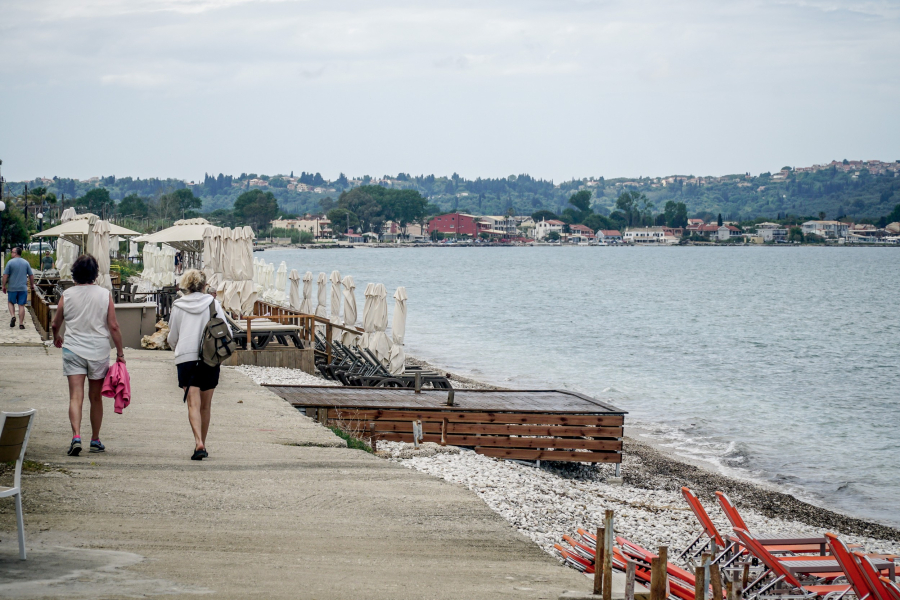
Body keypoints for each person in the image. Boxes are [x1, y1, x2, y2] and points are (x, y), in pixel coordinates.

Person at [50, 254, 125, 457]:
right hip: (98, 351)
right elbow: (114, 326)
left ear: (75, 273)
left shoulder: (67, 295)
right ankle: (95, 439)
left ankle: (76, 436)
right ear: (95, 274)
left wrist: (56, 336)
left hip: (73, 349)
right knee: (95, 398)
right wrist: (120, 353)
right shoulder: (104, 294)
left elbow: (55, 323)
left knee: (76, 396)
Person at [167, 269, 231, 461]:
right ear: (204, 286)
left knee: (193, 404)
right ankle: (203, 440)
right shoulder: (213, 303)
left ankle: (198, 443)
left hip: (186, 358)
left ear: (185, 285)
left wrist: (177, 349)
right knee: (206, 405)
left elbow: (172, 336)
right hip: (209, 358)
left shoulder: (177, 305)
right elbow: (227, 331)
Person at [2, 247, 35, 330]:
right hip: (23, 288)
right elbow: (31, 275)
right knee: (21, 306)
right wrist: (32, 285)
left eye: (12, 252)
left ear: (16, 253)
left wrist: (3, 286)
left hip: (12, 287)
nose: (11, 254)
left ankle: (13, 316)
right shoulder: (26, 262)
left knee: (10, 302)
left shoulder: (10, 263)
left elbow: (5, 275)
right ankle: (21, 324)